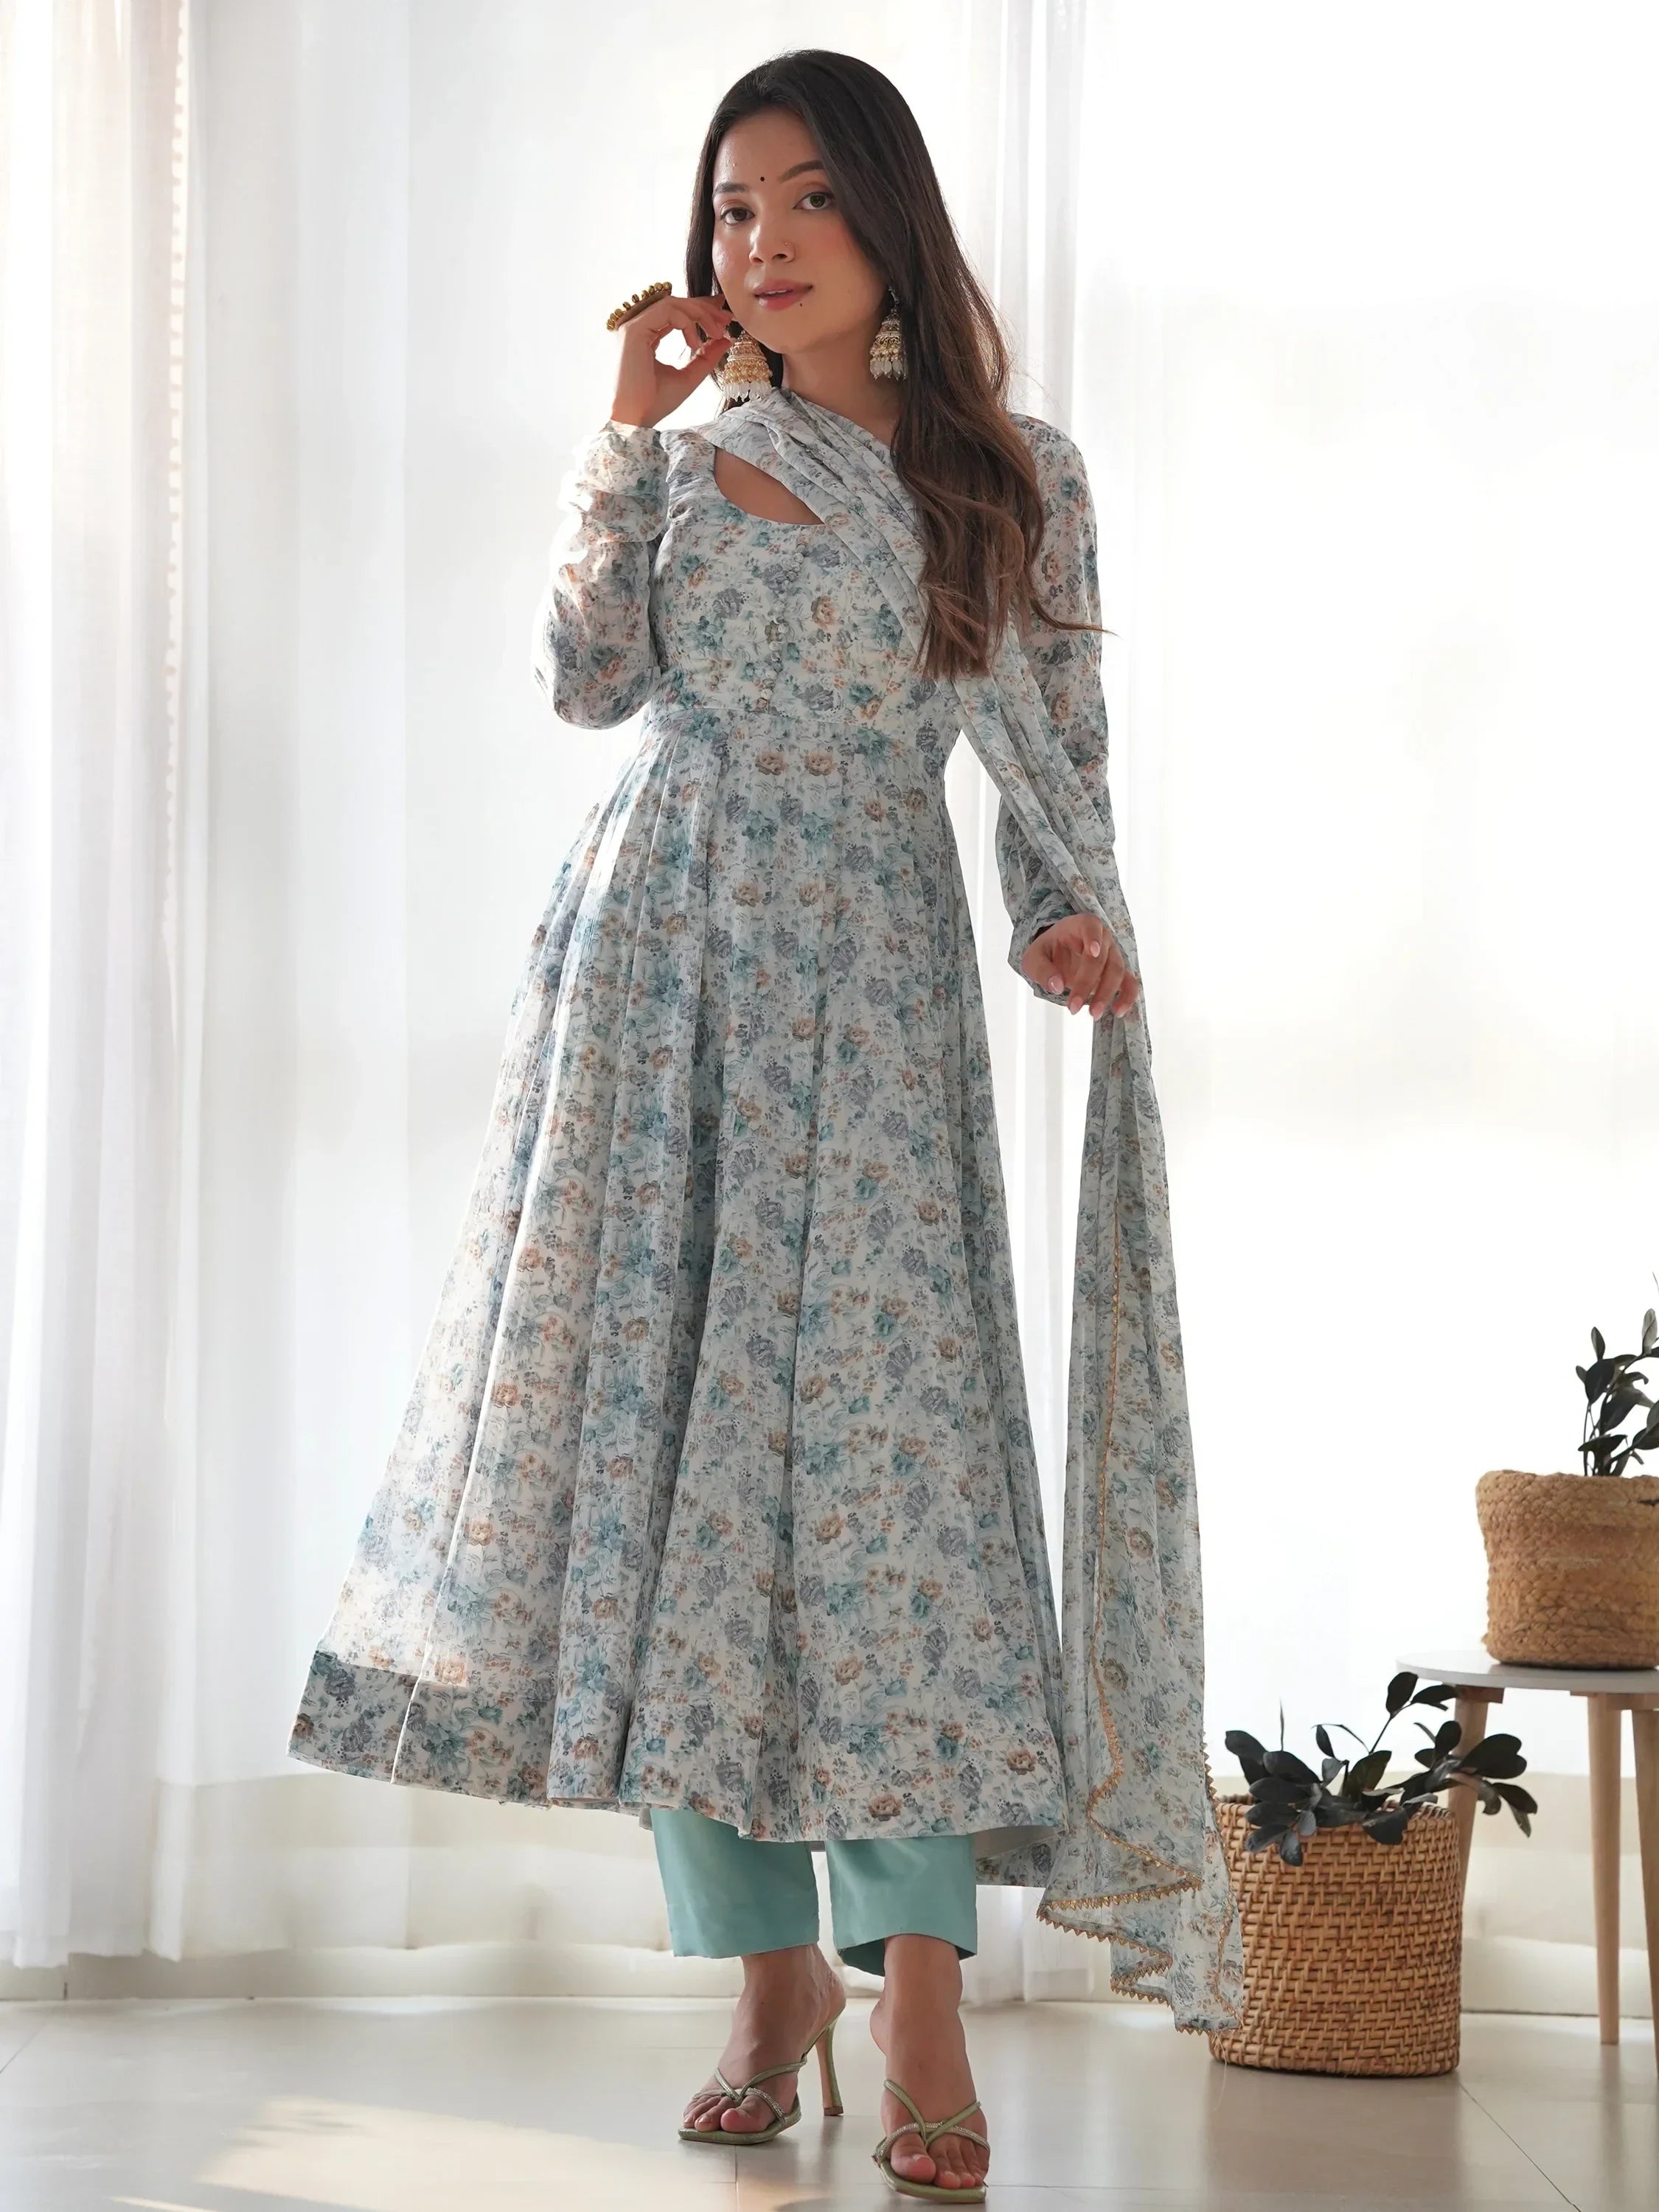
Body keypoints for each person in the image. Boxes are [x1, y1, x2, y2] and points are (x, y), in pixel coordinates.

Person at [289, 46, 1242, 2208]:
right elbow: (583, 683)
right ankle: (758, 1978)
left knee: (882, 1493)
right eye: (730, 210)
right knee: (656, 1470)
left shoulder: (1018, 474)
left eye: (803, 200)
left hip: (875, 979)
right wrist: (616, 442)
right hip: (656, 982)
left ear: (885, 225)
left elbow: (1050, 748)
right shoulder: (692, 450)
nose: (763, 243)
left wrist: (1067, 915)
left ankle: (911, 1980)